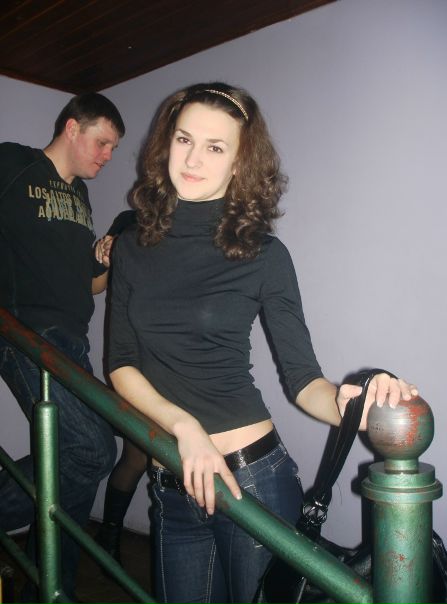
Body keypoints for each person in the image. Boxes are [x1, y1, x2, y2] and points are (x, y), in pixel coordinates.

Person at [106, 82, 417, 604]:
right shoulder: (131, 247)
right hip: (171, 484)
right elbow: (120, 363)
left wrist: (352, 403)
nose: (193, 159)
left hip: (251, 483)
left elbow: (303, 381)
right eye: (184, 139)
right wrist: (184, 428)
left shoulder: (264, 256)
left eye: (215, 147)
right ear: (165, 145)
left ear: (239, 164)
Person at [0, 92, 125, 603]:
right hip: (27, 333)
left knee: (84, 461)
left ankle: (50, 590)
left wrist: (104, 262)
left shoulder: (82, 197)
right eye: (103, 143)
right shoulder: (15, 163)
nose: (108, 156)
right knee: (93, 450)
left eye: (113, 148)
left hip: (73, 344)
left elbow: (89, 286)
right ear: (72, 128)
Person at [93, 210, 149, 564]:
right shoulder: (130, 221)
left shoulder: (197, 220)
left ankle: (108, 538)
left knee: (158, 458)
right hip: (132, 356)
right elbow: (98, 283)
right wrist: (101, 256)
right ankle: (108, 537)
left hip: (177, 357)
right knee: (138, 455)